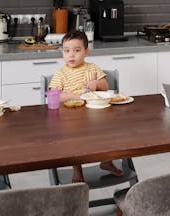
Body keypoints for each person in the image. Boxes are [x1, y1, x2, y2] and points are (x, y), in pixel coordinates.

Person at [49, 30, 124, 182]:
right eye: (66, 51)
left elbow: (105, 86)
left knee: (109, 132)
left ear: (86, 52)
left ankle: (107, 161)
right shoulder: (61, 74)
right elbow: (56, 96)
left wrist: (96, 83)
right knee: (74, 140)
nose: (71, 55)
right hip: (71, 116)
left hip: (94, 112)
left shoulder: (92, 68)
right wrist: (77, 96)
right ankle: (77, 169)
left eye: (77, 51)